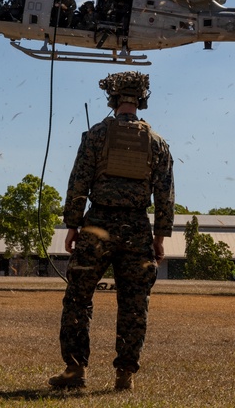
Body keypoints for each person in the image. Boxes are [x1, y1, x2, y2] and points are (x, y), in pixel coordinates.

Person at [48, 72, 175, 392]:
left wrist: (73, 225)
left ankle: (75, 371)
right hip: (136, 227)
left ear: (113, 100)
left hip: (97, 226)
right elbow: (165, 194)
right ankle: (125, 374)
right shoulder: (157, 142)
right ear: (142, 100)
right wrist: (159, 237)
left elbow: (78, 182)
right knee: (134, 303)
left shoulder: (95, 135)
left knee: (79, 297)